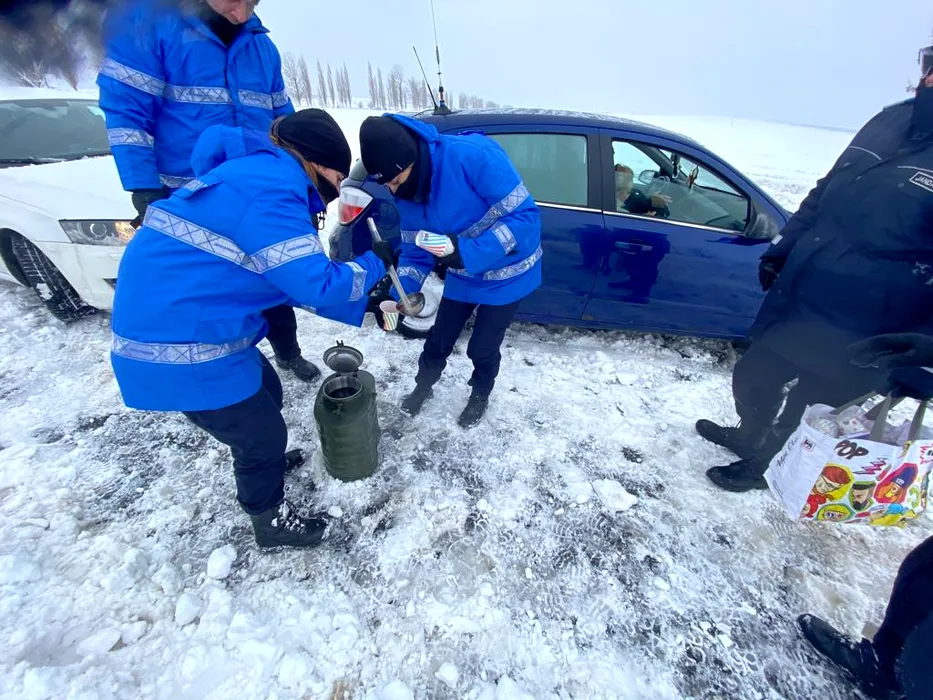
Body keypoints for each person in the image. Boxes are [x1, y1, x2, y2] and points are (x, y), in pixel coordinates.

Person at [109, 109, 394, 548]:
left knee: (266, 390)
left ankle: (266, 462)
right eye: (338, 179)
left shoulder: (255, 176)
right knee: (259, 435)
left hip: (198, 322)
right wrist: (375, 262)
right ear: (317, 162)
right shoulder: (272, 190)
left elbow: (281, 278)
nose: (335, 193)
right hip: (177, 343)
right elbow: (315, 284)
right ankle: (269, 520)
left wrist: (363, 302)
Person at [694, 60, 933, 492]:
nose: (928, 75)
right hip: (809, 289)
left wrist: (924, 350)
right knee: (753, 375)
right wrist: (784, 247)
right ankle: (750, 434)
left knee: (812, 405)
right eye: (930, 62)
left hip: (873, 318)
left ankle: (768, 465)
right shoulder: (890, 120)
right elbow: (824, 191)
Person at [97, 0, 321, 383]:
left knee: (270, 277)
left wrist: (301, 182)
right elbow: (127, 114)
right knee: (213, 290)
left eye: (253, 1)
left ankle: (288, 352)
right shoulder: (149, 28)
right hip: (192, 198)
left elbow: (284, 123)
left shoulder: (261, 46)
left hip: (254, 196)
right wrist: (144, 187)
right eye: (235, 0)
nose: (243, 13)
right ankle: (229, 369)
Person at [358, 114, 543, 428]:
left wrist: (468, 252)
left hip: (508, 275)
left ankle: (480, 393)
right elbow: (416, 249)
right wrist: (400, 292)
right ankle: (423, 385)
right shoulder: (406, 193)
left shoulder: (473, 157)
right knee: (438, 339)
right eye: (385, 184)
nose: (392, 189)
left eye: (395, 180)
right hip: (463, 273)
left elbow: (526, 219)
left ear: (411, 160)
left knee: (482, 348)